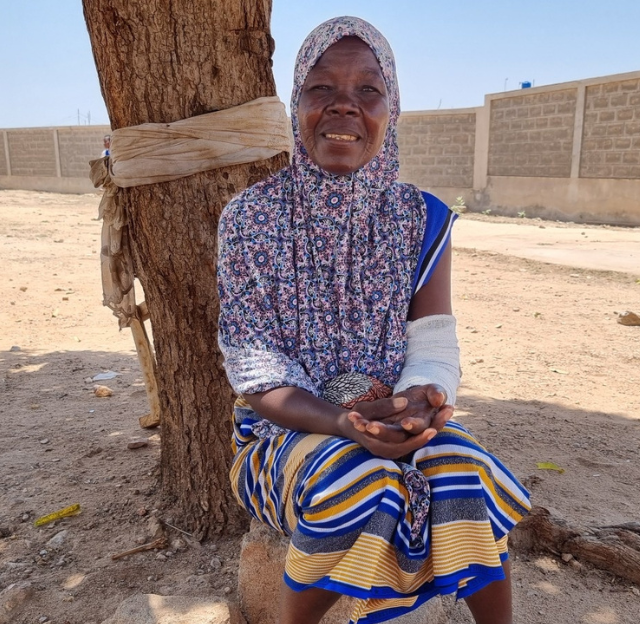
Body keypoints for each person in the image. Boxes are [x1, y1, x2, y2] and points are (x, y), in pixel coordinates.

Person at [216, 16, 531, 624]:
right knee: (361, 488)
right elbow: (256, 374)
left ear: (392, 109)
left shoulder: (421, 218)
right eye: (321, 89)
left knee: (469, 475)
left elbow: (433, 340)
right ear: (296, 106)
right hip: (280, 429)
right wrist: (344, 422)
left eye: (368, 90)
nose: (344, 107)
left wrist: (421, 400)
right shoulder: (249, 220)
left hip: (392, 412)